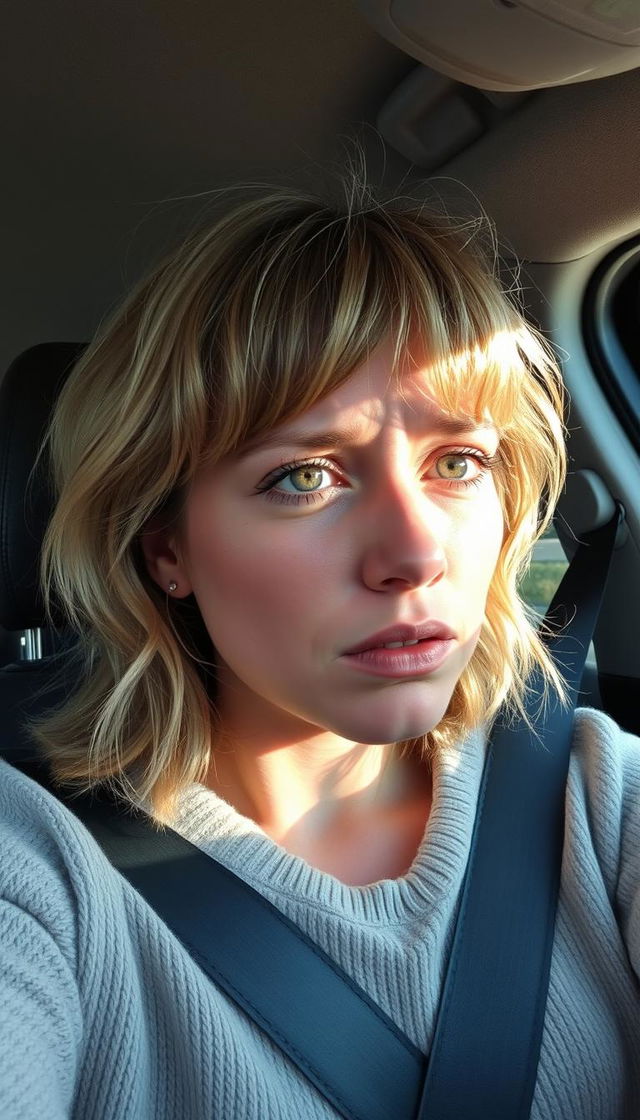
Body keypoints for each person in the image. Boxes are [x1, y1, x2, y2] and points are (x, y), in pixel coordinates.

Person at [0, 170, 639, 1119]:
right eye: (303, 476)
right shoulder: (39, 870)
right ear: (165, 545)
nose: (416, 552)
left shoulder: (599, 794)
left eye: (458, 463)